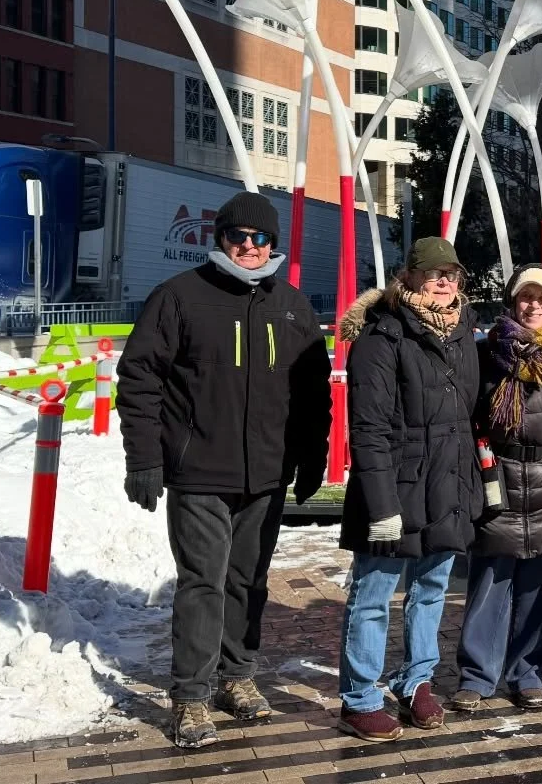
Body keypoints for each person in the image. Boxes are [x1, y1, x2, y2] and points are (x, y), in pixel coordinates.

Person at [118, 192, 331, 749]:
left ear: (273, 244)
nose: (249, 246)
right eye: (238, 236)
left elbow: (313, 393)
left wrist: (313, 455)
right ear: (221, 238)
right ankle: (191, 695)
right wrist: (144, 459)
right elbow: (139, 380)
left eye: (260, 238)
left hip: (266, 474)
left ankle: (237, 677)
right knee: (202, 583)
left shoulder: (291, 306)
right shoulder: (179, 297)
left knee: (248, 581)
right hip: (199, 472)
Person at [335, 238, 480, 742]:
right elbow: (368, 428)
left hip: (446, 487)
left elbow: (467, 419)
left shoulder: (462, 333)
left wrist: (472, 486)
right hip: (394, 489)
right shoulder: (382, 336)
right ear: (411, 277)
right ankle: (359, 698)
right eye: (434, 273)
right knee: (373, 596)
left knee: (431, 591)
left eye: (451, 274)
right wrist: (380, 505)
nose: (443, 282)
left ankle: (416, 680)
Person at [451, 263, 542, 712]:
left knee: (540, 590)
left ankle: (528, 672)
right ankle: (477, 675)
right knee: (490, 585)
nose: (534, 306)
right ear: (513, 300)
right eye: (527, 297)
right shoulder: (486, 355)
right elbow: (467, 423)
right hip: (498, 482)